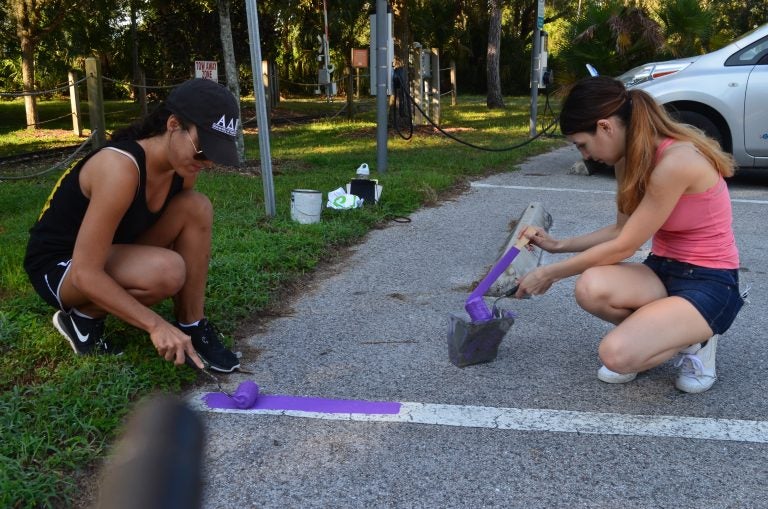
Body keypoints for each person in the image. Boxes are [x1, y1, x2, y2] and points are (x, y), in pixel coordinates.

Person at [515, 76, 744, 393]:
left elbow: (625, 246)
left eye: (582, 143)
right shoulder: (629, 159)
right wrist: (557, 246)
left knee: (615, 355)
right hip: (662, 269)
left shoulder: (677, 162)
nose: (584, 155)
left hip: (710, 281)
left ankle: (697, 339)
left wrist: (548, 274)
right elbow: (621, 229)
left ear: (605, 126)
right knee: (590, 287)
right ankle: (664, 335)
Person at [24, 78, 241, 373]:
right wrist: (155, 325)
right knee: (167, 271)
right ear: (174, 125)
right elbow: (87, 273)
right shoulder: (120, 168)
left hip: (109, 252)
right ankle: (83, 319)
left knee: (196, 206)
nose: (207, 163)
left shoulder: (183, 168)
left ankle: (192, 324)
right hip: (60, 265)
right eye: (203, 150)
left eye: (215, 155)